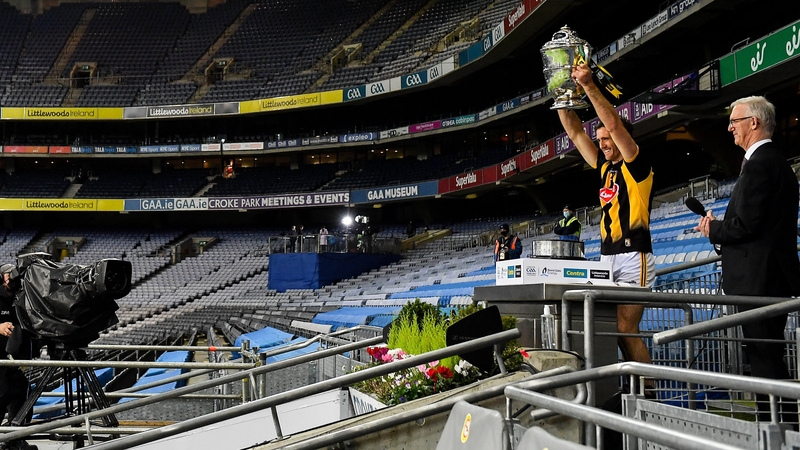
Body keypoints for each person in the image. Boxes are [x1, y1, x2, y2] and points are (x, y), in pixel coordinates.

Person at [696, 96, 800, 421]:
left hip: (759, 280)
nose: (729, 128)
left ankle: (779, 430)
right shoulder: (773, 162)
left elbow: (746, 226)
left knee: (764, 358)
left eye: (734, 121)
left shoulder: (759, 164)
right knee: (765, 355)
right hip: (768, 276)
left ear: (753, 123)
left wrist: (714, 229)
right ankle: (779, 428)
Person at [557, 62, 655, 371]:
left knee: (626, 330)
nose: (603, 143)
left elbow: (613, 125)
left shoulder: (636, 163)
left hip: (633, 253)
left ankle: (647, 394)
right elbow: (573, 131)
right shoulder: (604, 166)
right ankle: (628, 389)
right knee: (608, 331)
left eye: (607, 139)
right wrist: (561, 94)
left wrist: (588, 86)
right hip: (606, 258)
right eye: (599, 140)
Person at [0, 264, 37, 450]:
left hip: (10, 357)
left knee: (21, 390)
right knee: (3, 392)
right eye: (8, 275)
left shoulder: (22, 297)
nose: (12, 279)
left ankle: (15, 439)